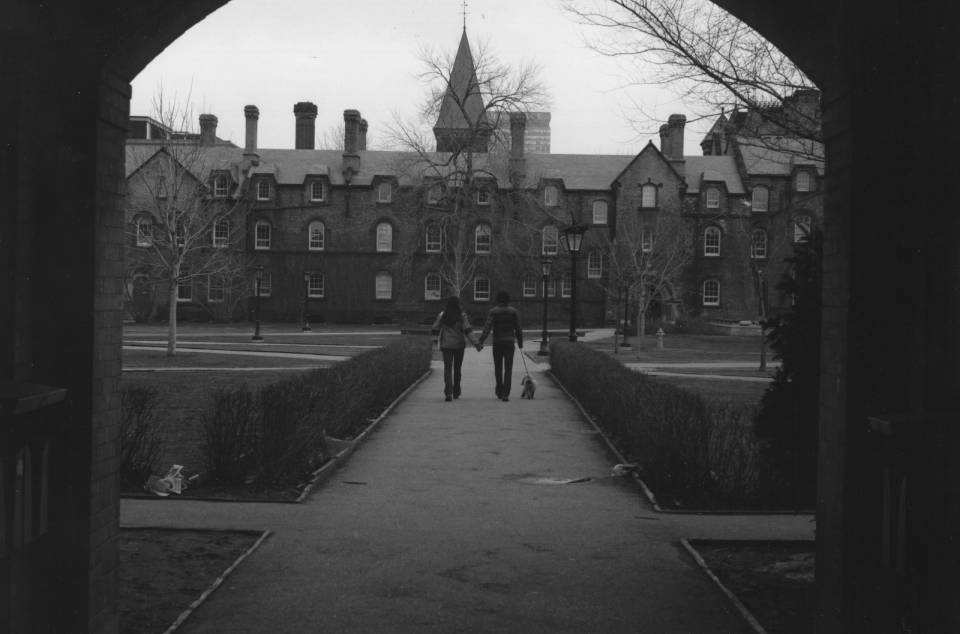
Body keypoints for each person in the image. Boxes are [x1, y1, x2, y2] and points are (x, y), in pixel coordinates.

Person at [476, 291, 523, 401]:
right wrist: (520, 343)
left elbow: (487, 328)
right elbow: (518, 329)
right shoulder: (514, 312)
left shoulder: (493, 311)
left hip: (497, 343)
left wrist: (481, 341)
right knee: (508, 369)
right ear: (508, 300)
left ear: (498, 300)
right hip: (509, 342)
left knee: (498, 368)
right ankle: (506, 394)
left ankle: (499, 391)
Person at [432, 296, 477, 402]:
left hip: (446, 345)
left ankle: (448, 393)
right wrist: (476, 344)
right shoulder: (462, 315)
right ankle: (456, 391)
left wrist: (434, 344)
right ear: (458, 304)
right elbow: (468, 330)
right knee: (457, 368)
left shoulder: (442, 315)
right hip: (459, 345)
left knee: (447, 368)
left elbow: (435, 328)